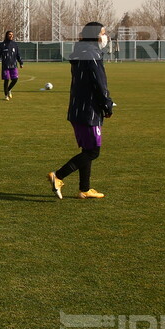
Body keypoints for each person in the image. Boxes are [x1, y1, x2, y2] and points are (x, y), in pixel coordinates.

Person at [48, 22, 113, 200]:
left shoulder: (82, 52)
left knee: (87, 149)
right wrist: (107, 104)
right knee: (93, 152)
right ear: (95, 35)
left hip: (78, 109)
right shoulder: (92, 55)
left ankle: (84, 189)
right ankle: (58, 176)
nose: (105, 37)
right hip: (89, 111)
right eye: (103, 33)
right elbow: (99, 84)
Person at [0, 30, 24, 101]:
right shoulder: (2, 45)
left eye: (12, 34)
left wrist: (21, 62)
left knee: (15, 79)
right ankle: (6, 95)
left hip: (13, 65)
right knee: (6, 80)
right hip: (5, 66)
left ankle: (8, 89)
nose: (11, 36)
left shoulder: (15, 44)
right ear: (6, 35)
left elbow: (17, 54)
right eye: (10, 34)